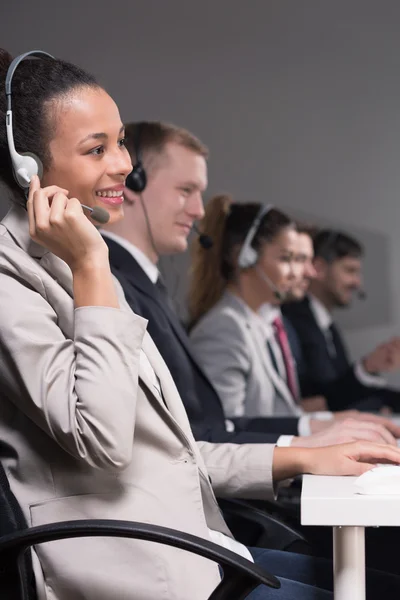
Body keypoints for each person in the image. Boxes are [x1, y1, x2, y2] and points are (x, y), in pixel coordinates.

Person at [1, 50, 400, 600]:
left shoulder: (75, 269)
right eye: (97, 149)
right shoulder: (32, 280)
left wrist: (302, 454)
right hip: (139, 572)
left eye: (120, 142)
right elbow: (105, 441)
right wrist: (94, 266)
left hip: (188, 546)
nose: (122, 164)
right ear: (27, 168)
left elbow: (172, 451)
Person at [102, 121, 399, 449]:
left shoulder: (153, 286)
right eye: (186, 190)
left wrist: (320, 425)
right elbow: (208, 435)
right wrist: (308, 444)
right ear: (133, 180)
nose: (199, 210)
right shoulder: (118, 287)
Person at [283, 229, 400, 411]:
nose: (357, 283)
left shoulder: (327, 326)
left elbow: (340, 391)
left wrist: (372, 367)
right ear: (319, 268)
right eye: (349, 270)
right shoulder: (292, 320)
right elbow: (319, 399)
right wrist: (367, 367)